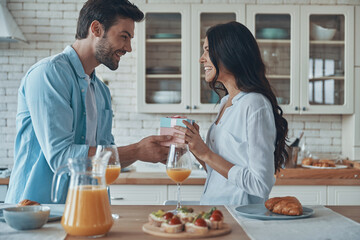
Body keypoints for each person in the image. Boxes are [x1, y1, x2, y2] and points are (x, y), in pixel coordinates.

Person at [5, 0, 171, 204]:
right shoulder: (49, 75)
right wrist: (136, 150)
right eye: (124, 37)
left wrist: (147, 152)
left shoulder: (100, 91)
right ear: (96, 29)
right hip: (35, 214)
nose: (128, 48)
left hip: (83, 211)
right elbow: (61, 159)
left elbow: (107, 157)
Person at [174, 21, 288, 205]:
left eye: (207, 50)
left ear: (230, 53)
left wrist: (206, 154)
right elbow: (217, 174)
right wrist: (196, 147)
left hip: (242, 218)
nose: (201, 58)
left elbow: (261, 184)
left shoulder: (255, 104)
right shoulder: (225, 103)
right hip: (216, 211)